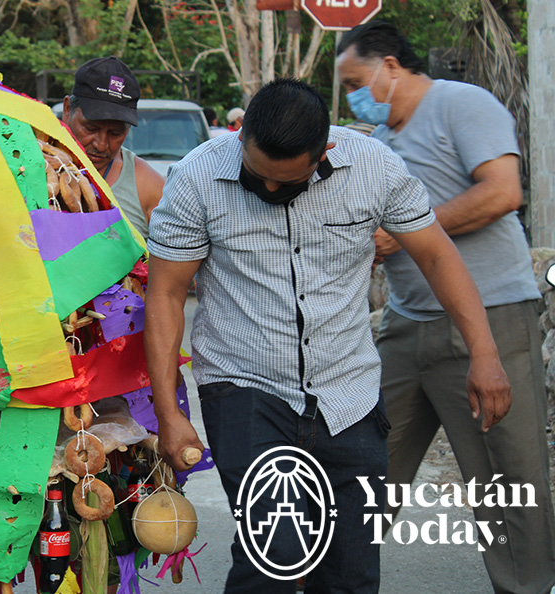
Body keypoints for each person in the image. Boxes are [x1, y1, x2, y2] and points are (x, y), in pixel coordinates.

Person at [145, 79, 510, 593]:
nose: (270, 191)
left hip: (349, 395)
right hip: (245, 386)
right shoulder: (196, 178)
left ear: (324, 154)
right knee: (275, 556)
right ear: (242, 136)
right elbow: (165, 294)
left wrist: (485, 352)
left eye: (286, 182)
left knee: (350, 571)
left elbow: (436, 254)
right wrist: (170, 412)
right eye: (257, 178)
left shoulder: (373, 167)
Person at [336, 20, 555, 593]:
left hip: (491, 316)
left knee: (508, 474)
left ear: (389, 66)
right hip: (406, 324)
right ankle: (336, 578)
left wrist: (406, 232)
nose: (352, 96)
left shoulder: (463, 103)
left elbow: (503, 191)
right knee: (362, 457)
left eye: (355, 81)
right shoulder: (378, 145)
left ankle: (528, 588)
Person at [61, 56, 164, 239]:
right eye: (91, 128)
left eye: (115, 133)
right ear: (68, 109)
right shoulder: (29, 165)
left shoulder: (148, 188)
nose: (101, 145)